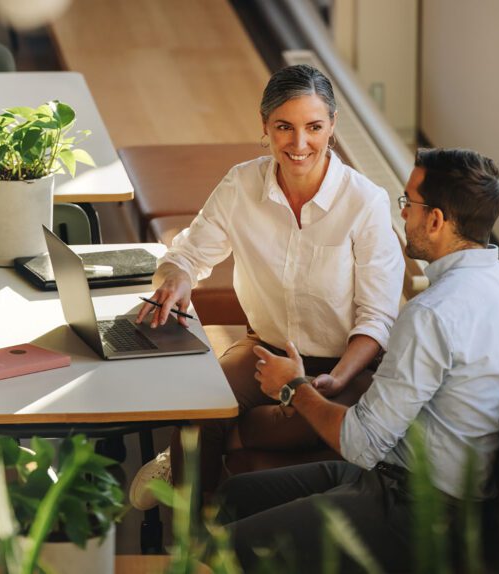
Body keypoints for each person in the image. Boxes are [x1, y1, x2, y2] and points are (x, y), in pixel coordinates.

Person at [216, 148, 499, 570]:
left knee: (222, 550)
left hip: (417, 513)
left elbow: (359, 442)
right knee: (234, 495)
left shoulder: (430, 315)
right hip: (399, 481)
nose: (402, 214)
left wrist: (293, 386)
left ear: (436, 220)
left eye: (408, 203)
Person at [129, 64, 405, 509]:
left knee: (282, 422)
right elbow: (188, 254)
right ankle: (192, 542)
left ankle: (217, 446)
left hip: (346, 365)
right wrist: (177, 277)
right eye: (284, 127)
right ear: (265, 127)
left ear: (332, 126)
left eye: (314, 127)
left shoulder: (365, 202)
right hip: (264, 351)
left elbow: (377, 318)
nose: (299, 144)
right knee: (198, 404)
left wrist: (331, 381)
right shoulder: (241, 184)